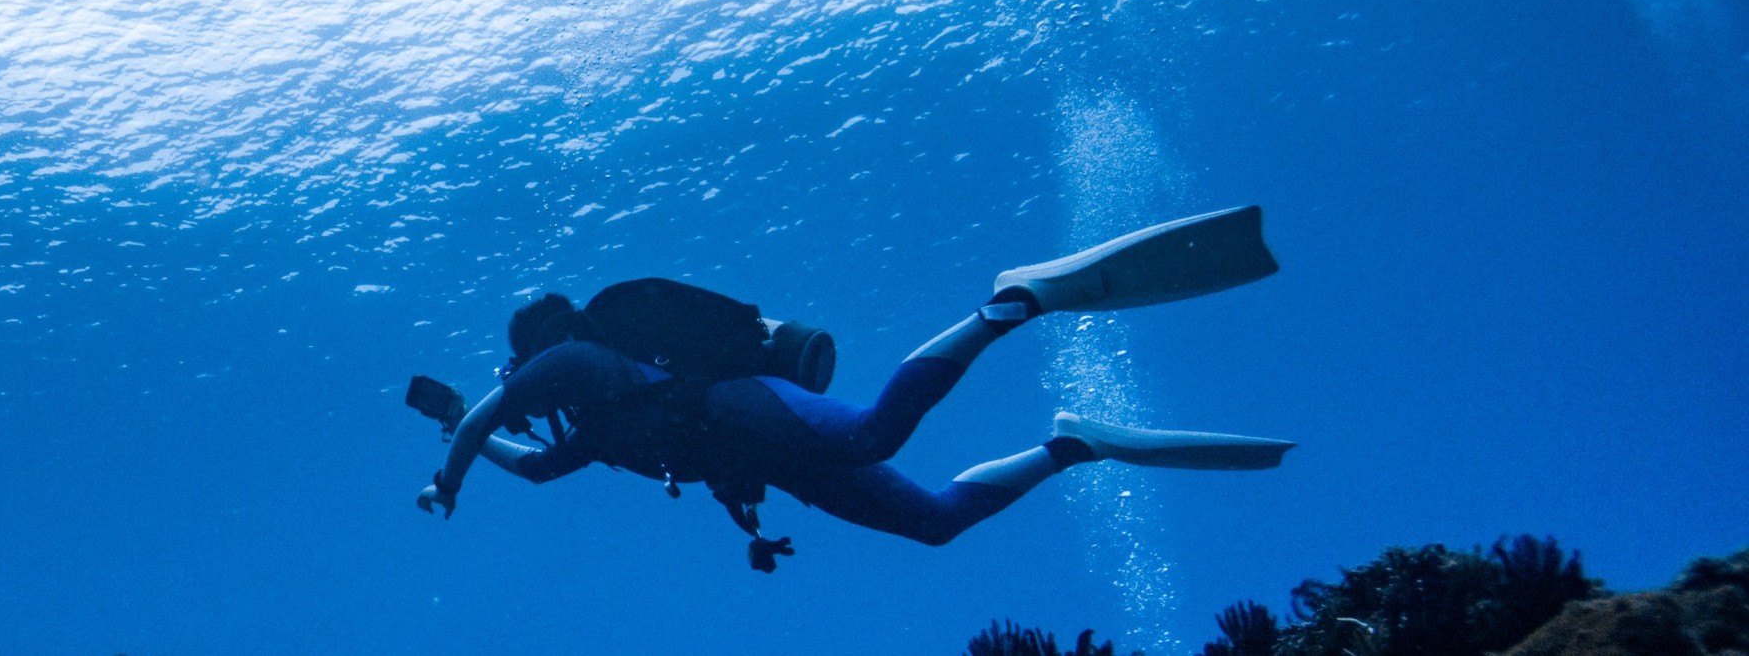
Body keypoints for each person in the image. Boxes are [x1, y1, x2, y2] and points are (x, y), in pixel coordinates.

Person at [412, 207, 1293, 567]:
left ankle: (1014, 301)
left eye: (518, 369)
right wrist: (748, 527)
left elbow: (496, 413)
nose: (524, 387)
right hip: (770, 460)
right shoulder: (596, 431)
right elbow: (529, 466)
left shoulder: (574, 365)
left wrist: (451, 463)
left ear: (542, 350)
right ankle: (1073, 444)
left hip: (746, 405)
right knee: (934, 524)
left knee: (876, 433)